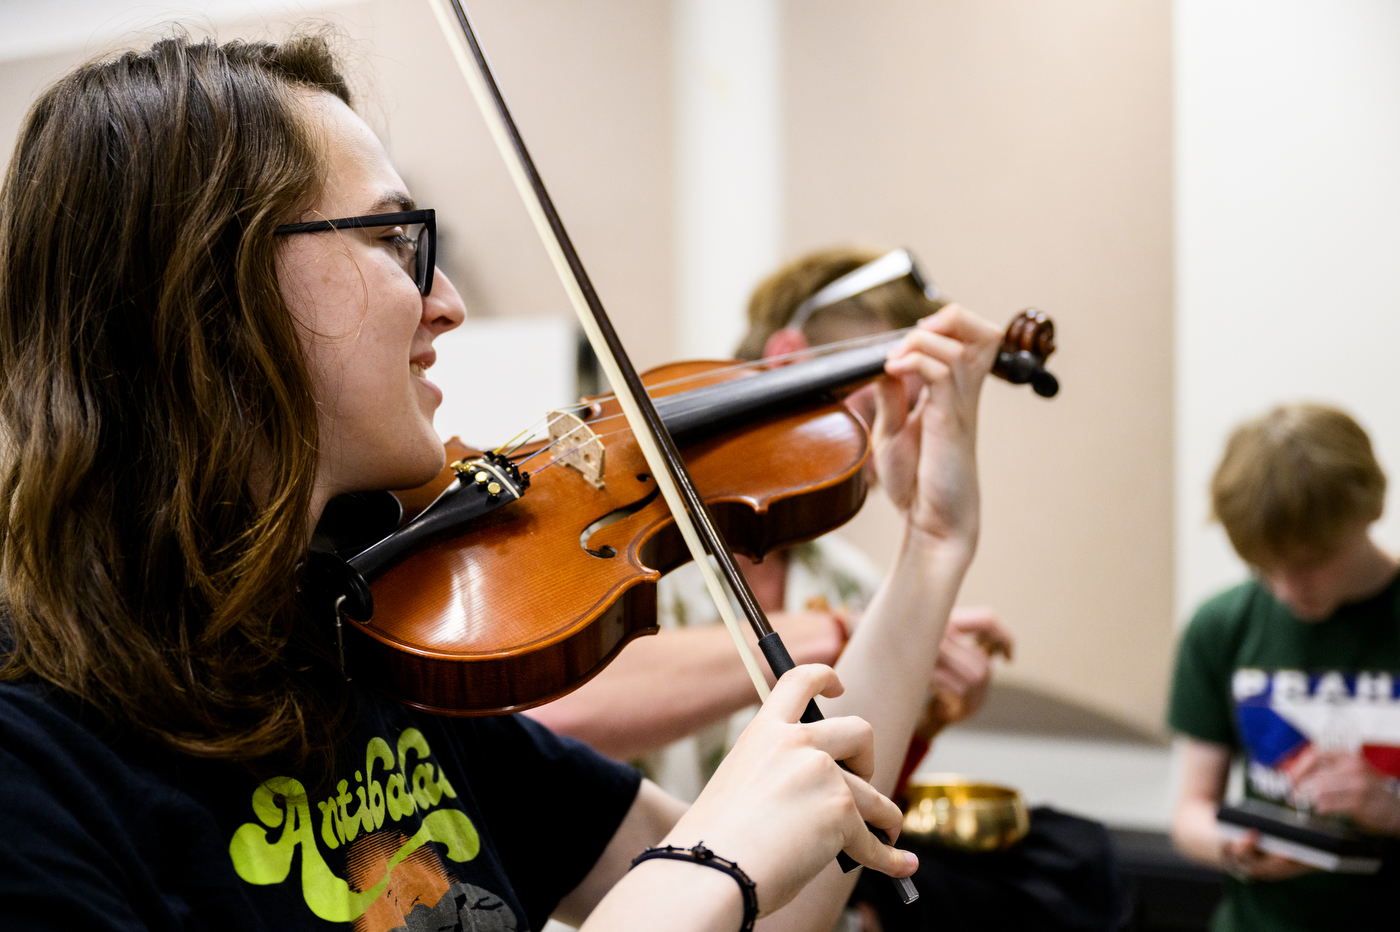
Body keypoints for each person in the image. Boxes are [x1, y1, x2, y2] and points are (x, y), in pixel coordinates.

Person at [0, 33, 1005, 932]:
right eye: (395, 242)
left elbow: (778, 900)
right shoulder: (31, 761)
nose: (448, 303)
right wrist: (706, 865)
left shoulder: (360, 642)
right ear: (210, 289)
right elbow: (709, 882)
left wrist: (930, 549)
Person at [527, 248, 1015, 806]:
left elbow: (844, 821)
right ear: (788, 361)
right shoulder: (617, 550)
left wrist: (924, 713)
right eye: (878, 403)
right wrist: (837, 634)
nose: (891, 446)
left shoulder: (849, 580)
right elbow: (551, 717)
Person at [1169, 403, 1400, 930]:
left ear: (1371, 509)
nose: (1288, 590)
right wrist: (1234, 848)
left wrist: (1388, 810)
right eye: (1264, 567)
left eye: (1311, 564)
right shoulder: (1222, 625)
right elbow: (1190, 813)